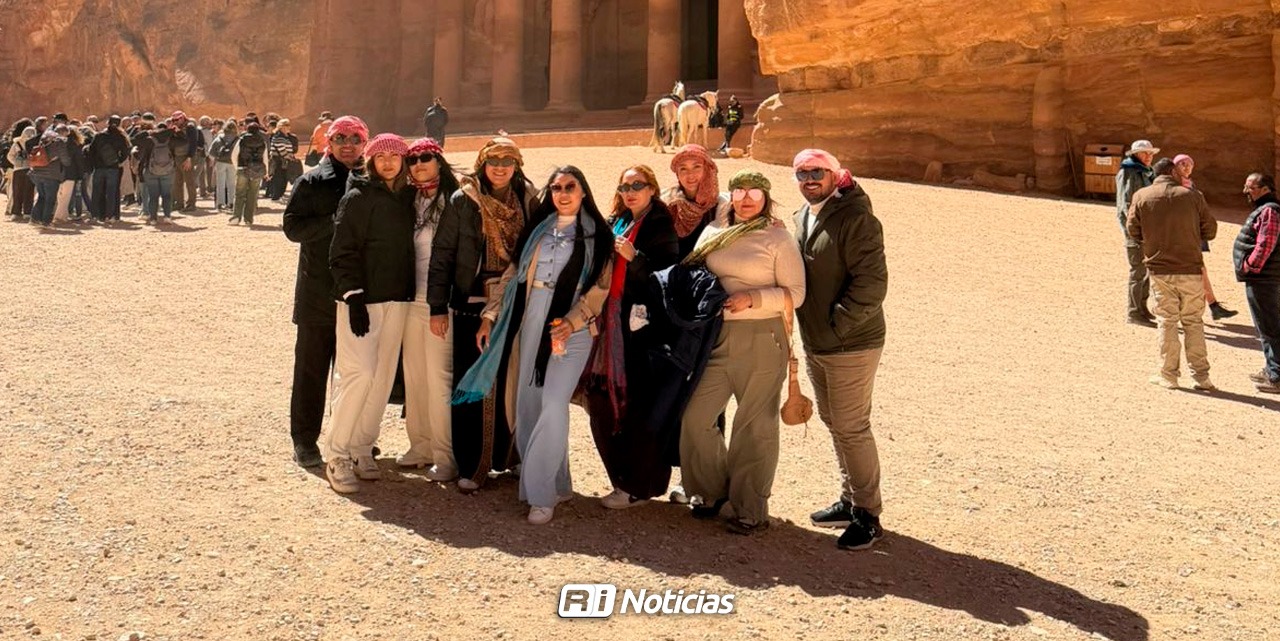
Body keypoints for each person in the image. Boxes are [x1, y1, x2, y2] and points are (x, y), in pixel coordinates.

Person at [456, 166, 614, 524]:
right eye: (556, 187)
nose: (563, 193)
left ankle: (541, 495)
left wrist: (571, 322)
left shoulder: (599, 237)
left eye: (570, 186)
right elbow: (513, 275)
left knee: (554, 403)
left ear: (583, 192)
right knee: (528, 404)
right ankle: (557, 483)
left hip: (572, 327)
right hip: (532, 319)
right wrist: (490, 316)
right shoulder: (537, 231)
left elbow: (599, 291)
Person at [679, 170, 806, 535]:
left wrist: (752, 298)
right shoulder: (713, 232)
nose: (746, 198)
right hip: (716, 337)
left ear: (765, 198)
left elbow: (796, 294)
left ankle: (750, 508)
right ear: (730, 196)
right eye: (739, 191)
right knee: (695, 417)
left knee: (754, 425)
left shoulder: (777, 237)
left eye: (754, 192)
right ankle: (712, 492)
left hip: (762, 337)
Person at [791, 149, 890, 550]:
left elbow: (872, 283)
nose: (810, 179)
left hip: (851, 342)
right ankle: (850, 501)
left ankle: (868, 514)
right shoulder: (805, 215)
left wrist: (839, 323)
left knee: (852, 426)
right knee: (835, 422)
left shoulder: (855, 217)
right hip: (819, 340)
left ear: (835, 175)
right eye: (802, 173)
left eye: (817, 172)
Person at [427, 137, 538, 493]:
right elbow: (443, 253)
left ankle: (510, 457)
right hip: (472, 305)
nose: (500, 167)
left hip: (516, 303)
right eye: (494, 160)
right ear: (482, 164)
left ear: (517, 165)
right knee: (473, 383)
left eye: (508, 160)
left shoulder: (528, 199)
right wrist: (437, 306)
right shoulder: (464, 200)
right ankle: (472, 465)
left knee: (511, 381)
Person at [585, 165, 680, 509]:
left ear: (652, 189)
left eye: (638, 185)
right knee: (602, 403)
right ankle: (622, 480)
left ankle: (639, 485)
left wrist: (634, 258)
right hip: (609, 323)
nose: (630, 192)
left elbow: (666, 280)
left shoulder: (660, 226)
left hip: (641, 332)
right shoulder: (618, 221)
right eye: (625, 186)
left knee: (637, 406)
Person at [325, 133, 415, 493]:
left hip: (399, 301)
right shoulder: (357, 198)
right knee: (358, 374)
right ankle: (337, 454)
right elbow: (341, 250)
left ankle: (362, 447)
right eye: (381, 157)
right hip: (362, 302)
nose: (388, 162)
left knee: (381, 378)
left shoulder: (409, 198)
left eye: (395, 156)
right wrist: (353, 296)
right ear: (372, 162)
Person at [282, 115, 369, 468]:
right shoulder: (311, 182)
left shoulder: (373, 181)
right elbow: (292, 228)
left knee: (356, 371)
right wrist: (334, 222)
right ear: (329, 143)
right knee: (312, 369)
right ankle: (305, 440)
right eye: (341, 138)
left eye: (355, 138)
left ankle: (347, 438)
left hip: (361, 292)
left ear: (365, 143)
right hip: (318, 289)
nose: (348, 145)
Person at [397, 137, 461, 480]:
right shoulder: (408, 200)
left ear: (439, 160)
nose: (419, 164)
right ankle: (420, 445)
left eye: (425, 157)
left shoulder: (456, 200)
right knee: (415, 375)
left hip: (441, 303)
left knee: (439, 378)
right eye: (412, 159)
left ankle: (445, 455)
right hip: (410, 300)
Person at [1126, 158, 1218, 390]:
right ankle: (1201, 377)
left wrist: (1154, 239)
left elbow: (1133, 230)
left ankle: (1169, 375)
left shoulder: (1142, 196)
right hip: (1190, 267)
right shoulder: (1193, 196)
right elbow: (1210, 230)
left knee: (1167, 320)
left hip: (1160, 269)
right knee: (1193, 321)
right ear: (1172, 171)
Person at [1172, 154, 1238, 321]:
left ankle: (1212, 305)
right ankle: (1205, 307)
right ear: (1174, 167)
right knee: (1191, 271)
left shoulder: (1190, 184)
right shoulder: (1173, 186)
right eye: (1182, 164)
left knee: (1198, 270)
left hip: (1193, 234)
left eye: (1189, 164)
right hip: (1181, 235)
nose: (1186, 167)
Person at [1235, 173, 1280, 394]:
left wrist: (1250, 266)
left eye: (1250, 187)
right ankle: (1271, 369)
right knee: (1268, 325)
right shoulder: (1266, 209)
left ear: (1264, 189)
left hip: (1264, 279)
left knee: (1269, 327)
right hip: (1266, 277)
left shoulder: (1269, 211)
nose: (1246, 192)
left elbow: (1266, 244)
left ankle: (1276, 376)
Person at [661, 144, 732, 258]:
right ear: (677, 174)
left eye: (697, 167)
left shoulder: (722, 205)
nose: (690, 174)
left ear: (707, 170)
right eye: (683, 168)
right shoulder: (667, 203)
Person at [1117, 140, 1159, 326]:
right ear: (1135, 154)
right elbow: (1127, 204)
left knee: (1146, 270)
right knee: (1138, 270)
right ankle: (1134, 312)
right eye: (1144, 153)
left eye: (1150, 153)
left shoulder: (1146, 172)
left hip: (1147, 229)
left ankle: (1142, 308)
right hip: (1136, 231)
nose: (1149, 156)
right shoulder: (1129, 172)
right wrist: (1136, 229)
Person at [136, 120, 180, 224]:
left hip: (151, 171)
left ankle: (153, 218)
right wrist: (176, 131)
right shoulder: (171, 140)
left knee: (153, 196)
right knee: (167, 195)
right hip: (168, 171)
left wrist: (147, 132)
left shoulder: (149, 140)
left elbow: (135, 139)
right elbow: (185, 141)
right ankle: (167, 217)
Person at [88, 115, 130, 224]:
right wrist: (118, 161)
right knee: (111, 192)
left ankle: (94, 216)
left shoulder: (99, 135)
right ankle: (110, 216)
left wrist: (95, 163)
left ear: (108, 123)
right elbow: (126, 152)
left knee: (96, 192)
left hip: (99, 168)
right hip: (113, 168)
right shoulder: (120, 136)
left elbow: (91, 150)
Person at [30, 127, 70, 227]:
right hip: (52, 174)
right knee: (50, 199)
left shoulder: (44, 138)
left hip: (38, 172)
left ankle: (35, 218)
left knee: (41, 196)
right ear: (63, 132)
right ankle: (46, 221)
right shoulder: (59, 142)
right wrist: (68, 162)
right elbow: (65, 160)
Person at [229, 122, 268, 225]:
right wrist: (266, 172)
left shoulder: (241, 140)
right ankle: (248, 219)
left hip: (243, 168)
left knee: (239, 193)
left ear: (247, 129)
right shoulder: (262, 141)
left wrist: (237, 167)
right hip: (257, 170)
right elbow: (265, 158)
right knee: (253, 194)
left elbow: (234, 155)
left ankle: (236, 217)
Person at [168, 111, 201, 212]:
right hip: (177, 157)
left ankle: (191, 204)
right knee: (177, 182)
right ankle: (179, 203)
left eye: (176, 120)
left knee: (189, 181)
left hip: (186, 157)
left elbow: (193, 143)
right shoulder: (176, 128)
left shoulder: (190, 127)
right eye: (173, 120)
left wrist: (189, 158)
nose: (175, 122)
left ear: (182, 118)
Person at [7, 126, 37, 221]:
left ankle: (16, 213)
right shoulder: (34, 144)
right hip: (30, 169)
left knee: (17, 191)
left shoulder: (17, 143)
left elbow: (10, 156)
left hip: (18, 170)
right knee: (29, 191)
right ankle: (27, 212)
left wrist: (16, 163)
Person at [208, 121, 238, 212]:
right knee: (231, 184)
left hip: (220, 162)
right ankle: (231, 203)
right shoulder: (237, 139)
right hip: (232, 162)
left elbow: (211, 152)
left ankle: (220, 203)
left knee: (220, 183)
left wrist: (214, 160)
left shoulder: (219, 137)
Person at [266, 118, 300, 201]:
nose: (289, 127)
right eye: (287, 125)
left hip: (284, 161)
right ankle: (276, 196)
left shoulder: (285, 137)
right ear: (281, 127)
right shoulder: (278, 137)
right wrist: (290, 158)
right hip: (279, 161)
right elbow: (282, 151)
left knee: (284, 178)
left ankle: (279, 195)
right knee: (279, 178)